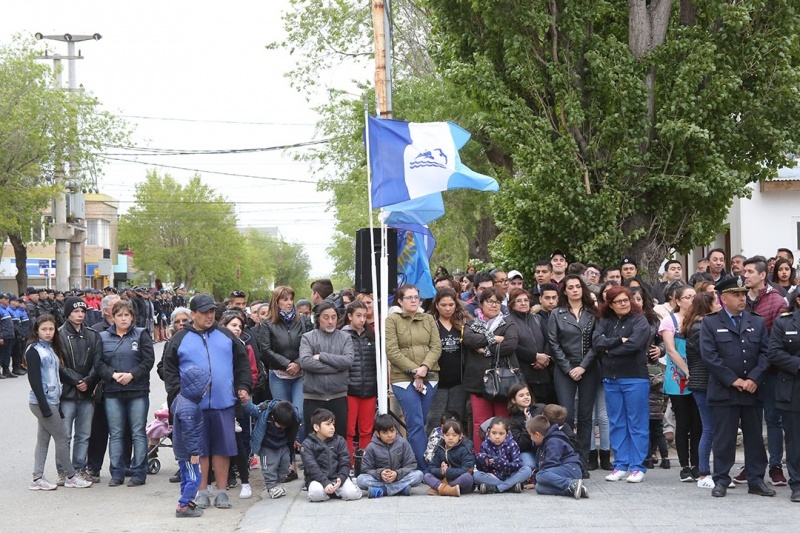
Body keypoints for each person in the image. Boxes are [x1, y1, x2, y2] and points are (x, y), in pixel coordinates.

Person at [163, 294, 252, 509]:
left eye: (212, 311)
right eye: (204, 312)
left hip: (224, 404)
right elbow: (169, 370)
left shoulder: (227, 336)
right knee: (199, 451)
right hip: (194, 408)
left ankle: (221, 491)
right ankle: (201, 491)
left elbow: (242, 364)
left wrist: (243, 386)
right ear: (192, 314)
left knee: (222, 449)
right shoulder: (179, 339)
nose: (210, 315)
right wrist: (179, 397)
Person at [700, 276, 774, 498]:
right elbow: (709, 356)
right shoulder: (710, 322)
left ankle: (756, 480)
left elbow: (766, 352)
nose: (742, 298)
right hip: (725, 390)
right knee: (724, 438)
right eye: (736, 295)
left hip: (752, 389)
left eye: (743, 294)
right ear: (723, 298)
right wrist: (733, 380)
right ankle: (721, 480)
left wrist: (753, 378)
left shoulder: (756, 321)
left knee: (754, 439)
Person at [26, 314, 93, 490]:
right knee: (62, 437)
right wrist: (45, 406)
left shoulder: (51, 348)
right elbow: (34, 381)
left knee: (43, 439)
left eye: (51, 329)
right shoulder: (34, 350)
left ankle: (37, 478)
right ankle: (70, 476)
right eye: (44, 329)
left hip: (52, 400)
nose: (48, 332)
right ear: (37, 331)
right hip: (42, 401)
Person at [594, 286, 651, 484]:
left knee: (637, 423)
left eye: (626, 300)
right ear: (610, 304)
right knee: (616, 422)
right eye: (618, 301)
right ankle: (620, 465)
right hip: (611, 378)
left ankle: (637, 467)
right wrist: (618, 341)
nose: (624, 304)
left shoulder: (640, 320)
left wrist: (610, 350)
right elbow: (597, 343)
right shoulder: (605, 321)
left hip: (635, 378)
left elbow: (635, 344)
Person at [95, 300, 155, 487]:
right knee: (116, 433)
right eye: (119, 315)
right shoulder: (103, 337)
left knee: (138, 432)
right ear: (113, 317)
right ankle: (117, 472)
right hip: (113, 391)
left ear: (132, 317)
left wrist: (132, 375)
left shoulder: (141, 334)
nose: (123, 319)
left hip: (137, 391)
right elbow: (98, 363)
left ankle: (139, 472)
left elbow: (148, 361)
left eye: (126, 315)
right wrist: (112, 375)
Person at [741, 255, 788, 486]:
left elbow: (776, 342)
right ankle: (751, 465)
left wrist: (761, 369)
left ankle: (776, 465)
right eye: (744, 272)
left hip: (770, 371)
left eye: (750, 272)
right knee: (749, 421)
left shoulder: (777, 302)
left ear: (762, 275)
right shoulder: (738, 298)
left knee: (772, 419)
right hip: (743, 372)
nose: (745, 275)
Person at [258, 286, 313, 481]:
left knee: (299, 416)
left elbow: (310, 344)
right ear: (276, 302)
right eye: (285, 299)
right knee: (283, 419)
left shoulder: (304, 320)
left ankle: (307, 462)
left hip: (300, 374)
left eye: (291, 298)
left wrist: (298, 363)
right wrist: (286, 363)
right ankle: (289, 466)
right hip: (279, 375)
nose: (289, 302)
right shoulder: (267, 324)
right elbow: (265, 350)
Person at [385, 284, 442, 467]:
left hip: (430, 375)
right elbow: (392, 351)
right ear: (400, 301)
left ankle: (413, 460)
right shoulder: (392, 320)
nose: (413, 300)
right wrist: (415, 371)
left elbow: (436, 346)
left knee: (423, 420)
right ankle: (425, 467)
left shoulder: (428, 319)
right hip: (402, 378)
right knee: (415, 421)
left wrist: (424, 368)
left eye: (416, 297)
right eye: (409, 297)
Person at [547, 275, 599, 475]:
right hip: (564, 368)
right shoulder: (557, 313)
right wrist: (569, 368)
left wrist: (583, 366)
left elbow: (597, 343)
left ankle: (583, 461)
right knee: (565, 414)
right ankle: (569, 458)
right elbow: (553, 343)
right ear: (565, 291)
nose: (575, 290)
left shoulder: (593, 313)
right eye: (571, 287)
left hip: (589, 368)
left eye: (578, 286)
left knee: (586, 416)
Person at [462, 288, 519, 454]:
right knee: (480, 422)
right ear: (481, 304)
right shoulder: (471, 323)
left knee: (502, 422)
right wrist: (494, 339)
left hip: (503, 381)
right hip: (478, 381)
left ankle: (505, 458)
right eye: (490, 301)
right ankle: (482, 460)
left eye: (497, 302)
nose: (494, 305)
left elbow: (510, 345)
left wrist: (485, 349)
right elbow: (470, 340)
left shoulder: (508, 322)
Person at [658, 285, 702, 482]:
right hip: (678, 376)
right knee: (683, 421)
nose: (692, 299)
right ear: (678, 300)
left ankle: (698, 464)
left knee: (698, 422)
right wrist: (686, 371)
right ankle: (684, 465)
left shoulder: (702, 319)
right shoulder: (670, 321)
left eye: (694, 296)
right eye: (688, 296)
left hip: (699, 374)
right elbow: (671, 349)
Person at [57, 296, 102, 484]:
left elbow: (98, 362)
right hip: (67, 393)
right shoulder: (58, 335)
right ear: (67, 313)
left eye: (83, 311)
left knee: (84, 435)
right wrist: (76, 380)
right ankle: (63, 470)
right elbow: (59, 364)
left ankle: (79, 468)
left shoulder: (92, 335)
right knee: (64, 435)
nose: (80, 315)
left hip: (87, 393)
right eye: (76, 311)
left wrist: (88, 381)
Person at [684, 291, 722, 489]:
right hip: (703, 382)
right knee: (709, 428)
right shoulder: (700, 328)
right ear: (707, 305)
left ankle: (714, 471)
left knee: (712, 428)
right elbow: (709, 355)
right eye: (717, 302)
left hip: (705, 382)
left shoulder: (700, 325)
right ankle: (704, 473)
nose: (720, 304)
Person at [218, 310, 256, 499]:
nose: (237, 329)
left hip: (234, 399)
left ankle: (246, 482)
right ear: (223, 325)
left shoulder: (243, 348)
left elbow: (247, 372)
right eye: (233, 325)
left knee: (238, 441)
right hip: (216, 399)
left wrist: (243, 388)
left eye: (240, 326)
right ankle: (215, 481)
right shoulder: (213, 344)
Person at [768, 293, 800, 502]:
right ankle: (797, 484)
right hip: (793, 388)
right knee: (795, 440)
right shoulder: (784, 322)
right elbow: (774, 353)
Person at [426, 288, 469, 434]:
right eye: (443, 305)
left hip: (459, 381)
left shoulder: (462, 323)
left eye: (451, 304)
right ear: (437, 305)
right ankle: (432, 452)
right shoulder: (430, 324)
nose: (448, 308)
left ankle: (455, 454)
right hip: (437, 381)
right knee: (434, 419)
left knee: (456, 420)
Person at [171, 366, 211, 518]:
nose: (205, 392)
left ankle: (186, 502)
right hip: (188, 452)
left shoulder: (181, 399)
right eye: (204, 388)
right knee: (195, 478)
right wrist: (194, 452)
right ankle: (183, 505)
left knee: (185, 476)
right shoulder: (188, 408)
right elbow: (189, 433)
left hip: (182, 450)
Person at [243, 399, 301, 500]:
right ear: (273, 417)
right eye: (280, 425)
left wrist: (295, 439)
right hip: (267, 446)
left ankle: (278, 483)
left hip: (283, 444)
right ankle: (271, 486)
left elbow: (294, 429)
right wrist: (246, 401)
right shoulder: (264, 411)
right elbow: (252, 410)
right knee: (269, 467)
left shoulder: (292, 415)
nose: (282, 427)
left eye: (284, 426)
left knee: (285, 464)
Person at [300, 408, 362, 502]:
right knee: (316, 494)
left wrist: (341, 478)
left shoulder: (339, 440)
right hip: (318, 480)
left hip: (338, 478)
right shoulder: (307, 444)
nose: (332, 427)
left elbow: (345, 462)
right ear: (316, 427)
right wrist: (324, 482)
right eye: (328, 424)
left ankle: (340, 489)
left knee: (352, 494)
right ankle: (330, 493)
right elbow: (312, 467)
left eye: (333, 424)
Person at [342, 301, 377, 465]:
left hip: (369, 388)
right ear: (349, 316)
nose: (362, 319)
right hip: (349, 389)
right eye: (358, 315)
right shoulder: (342, 335)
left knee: (366, 430)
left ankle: (365, 462)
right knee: (349, 430)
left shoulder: (371, 335)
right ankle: (349, 463)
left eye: (365, 315)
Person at [356, 413, 424, 498]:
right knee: (360, 480)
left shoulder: (403, 443)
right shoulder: (371, 447)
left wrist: (397, 474)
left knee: (419, 475)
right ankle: (401, 489)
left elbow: (411, 464)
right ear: (377, 433)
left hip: (399, 477)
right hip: (381, 479)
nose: (390, 435)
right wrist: (380, 474)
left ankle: (383, 491)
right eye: (385, 432)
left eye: (392, 431)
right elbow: (366, 469)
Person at [506, 288, 552, 407]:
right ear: (512, 304)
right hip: (523, 373)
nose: (523, 303)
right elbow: (513, 346)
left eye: (526, 300)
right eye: (519, 301)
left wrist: (544, 359)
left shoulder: (537, 318)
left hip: (542, 372)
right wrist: (534, 357)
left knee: (542, 409)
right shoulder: (508, 321)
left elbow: (549, 340)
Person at [527, 415, 587, 499]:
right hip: (560, 472)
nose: (530, 438)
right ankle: (574, 489)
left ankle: (571, 483)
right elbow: (539, 464)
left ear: (537, 434)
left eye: (530, 435)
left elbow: (551, 463)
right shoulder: (542, 444)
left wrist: (540, 476)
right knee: (539, 488)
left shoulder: (554, 441)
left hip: (571, 469)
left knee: (541, 475)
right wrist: (535, 482)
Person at [473, 417, 532, 493]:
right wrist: (483, 461)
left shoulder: (512, 444)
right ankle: (510, 486)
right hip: (493, 477)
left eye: (501, 433)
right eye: (494, 433)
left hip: (511, 475)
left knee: (527, 470)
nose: (497, 437)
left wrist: (501, 463)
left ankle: (497, 488)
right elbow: (482, 469)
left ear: (507, 433)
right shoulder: (485, 445)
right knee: (476, 476)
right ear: (489, 432)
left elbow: (517, 465)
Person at [423, 419, 474, 497]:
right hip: (444, 479)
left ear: (460, 436)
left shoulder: (465, 448)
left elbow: (466, 470)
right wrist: (441, 471)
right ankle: (449, 490)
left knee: (468, 477)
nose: (450, 438)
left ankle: (441, 489)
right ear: (443, 436)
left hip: (459, 482)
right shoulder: (440, 447)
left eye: (454, 435)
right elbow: (432, 467)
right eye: (447, 435)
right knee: (427, 476)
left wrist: (448, 471)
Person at [507, 382, 544, 471]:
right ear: (513, 400)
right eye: (521, 395)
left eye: (528, 394)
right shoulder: (513, 420)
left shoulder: (541, 409)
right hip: (528, 451)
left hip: (545, 447)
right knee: (529, 465)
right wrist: (527, 426)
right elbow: (520, 445)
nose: (526, 397)